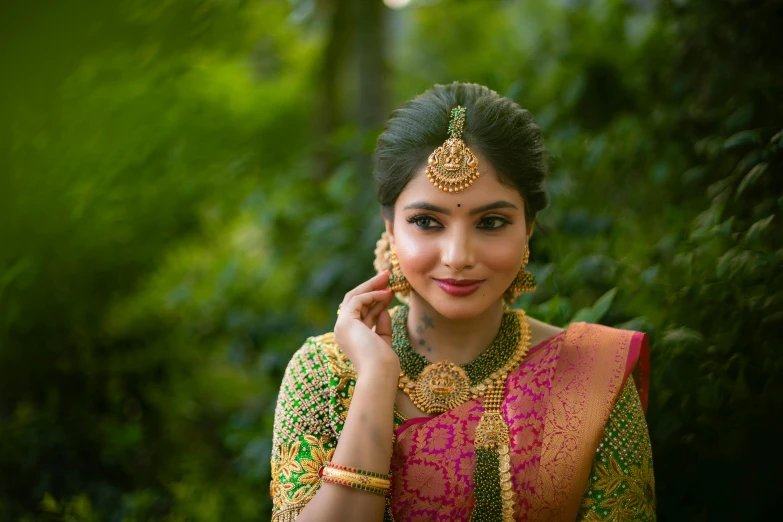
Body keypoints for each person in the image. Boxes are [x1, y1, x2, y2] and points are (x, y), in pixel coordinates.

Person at [269, 82, 655, 521]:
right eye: (427, 222)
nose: (458, 257)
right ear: (390, 227)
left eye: (491, 222)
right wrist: (376, 378)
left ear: (528, 228)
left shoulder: (588, 375)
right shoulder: (325, 372)